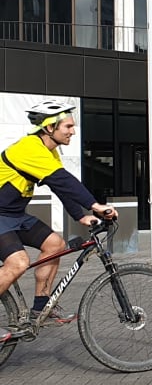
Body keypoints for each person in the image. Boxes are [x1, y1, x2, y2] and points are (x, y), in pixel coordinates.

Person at [0, 100, 118, 343]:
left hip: (15, 215)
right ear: (49, 127)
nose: (73, 131)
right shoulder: (29, 148)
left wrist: (81, 215)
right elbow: (63, 181)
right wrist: (95, 205)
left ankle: (41, 309)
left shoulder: (48, 150)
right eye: (68, 126)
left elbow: (60, 186)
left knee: (55, 244)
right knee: (19, 263)